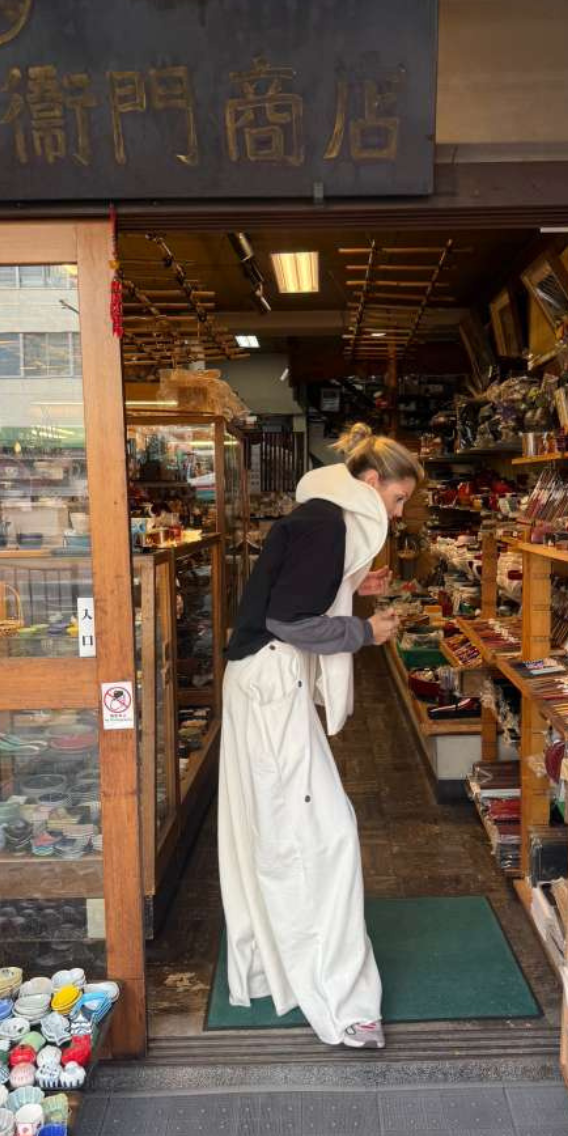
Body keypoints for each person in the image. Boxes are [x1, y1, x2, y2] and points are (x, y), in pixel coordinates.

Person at [218, 422, 424, 1049]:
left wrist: (350, 588)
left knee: (282, 831)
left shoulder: (319, 517)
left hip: (261, 685)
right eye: (397, 499)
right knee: (319, 838)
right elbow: (290, 618)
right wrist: (365, 631)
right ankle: (339, 998)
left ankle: (283, 964)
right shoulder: (331, 525)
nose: (399, 511)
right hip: (270, 690)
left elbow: (293, 597)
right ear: (369, 483)